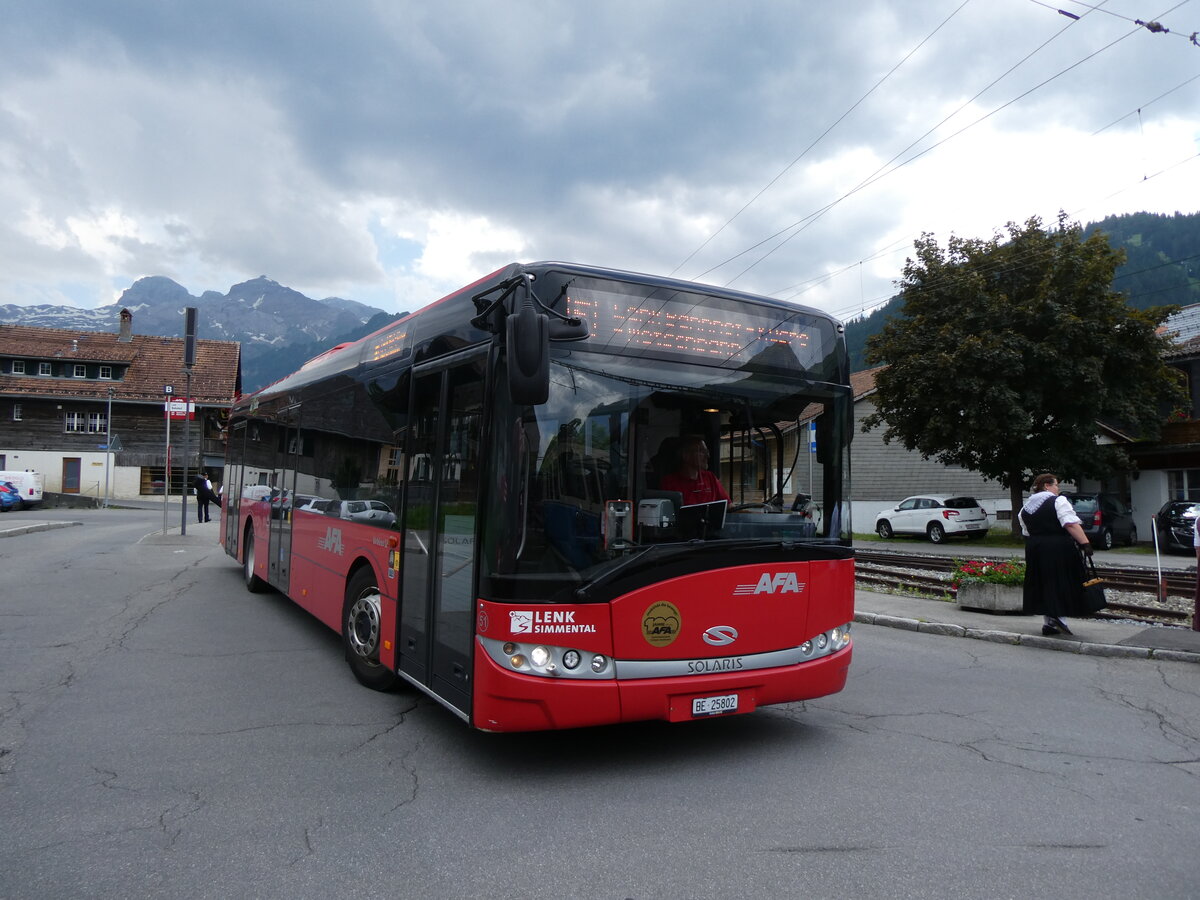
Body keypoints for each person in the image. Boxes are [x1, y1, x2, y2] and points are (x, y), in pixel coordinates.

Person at [1019, 473, 1093, 635]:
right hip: (1058, 546)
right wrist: (1085, 543)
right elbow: (1070, 524)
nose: (1058, 488)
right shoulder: (1058, 501)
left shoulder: (1026, 507)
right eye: (1056, 485)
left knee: (1043, 582)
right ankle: (1058, 617)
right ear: (1047, 485)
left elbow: (1025, 530)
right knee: (1061, 580)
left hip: (1035, 547)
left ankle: (1049, 623)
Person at [659, 435, 730, 506]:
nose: (707, 455)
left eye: (707, 451)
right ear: (685, 455)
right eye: (701, 451)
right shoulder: (669, 483)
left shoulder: (710, 477)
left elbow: (728, 505)